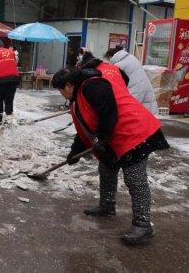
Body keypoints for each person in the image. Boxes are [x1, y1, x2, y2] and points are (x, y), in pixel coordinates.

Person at [51, 67, 169, 244]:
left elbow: (108, 112)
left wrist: (103, 139)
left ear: (68, 85)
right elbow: (84, 131)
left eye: (61, 90)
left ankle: (143, 224)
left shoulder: (93, 86)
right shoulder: (77, 101)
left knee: (134, 179)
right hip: (118, 137)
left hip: (134, 132)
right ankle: (106, 205)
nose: (62, 95)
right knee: (106, 167)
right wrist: (74, 153)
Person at [105, 46, 158, 114]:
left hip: (136, 91)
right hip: (145, 87)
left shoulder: (118, 65)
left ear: (111, 57)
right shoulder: (131, 57)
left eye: (108, 59)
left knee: (137, 114)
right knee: (148, 109)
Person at [0, 39, 20, 126]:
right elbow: (15, 63)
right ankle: (9, 120)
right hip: (14, 78)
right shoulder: (11, 52)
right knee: (9, 99)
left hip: (0, 79)